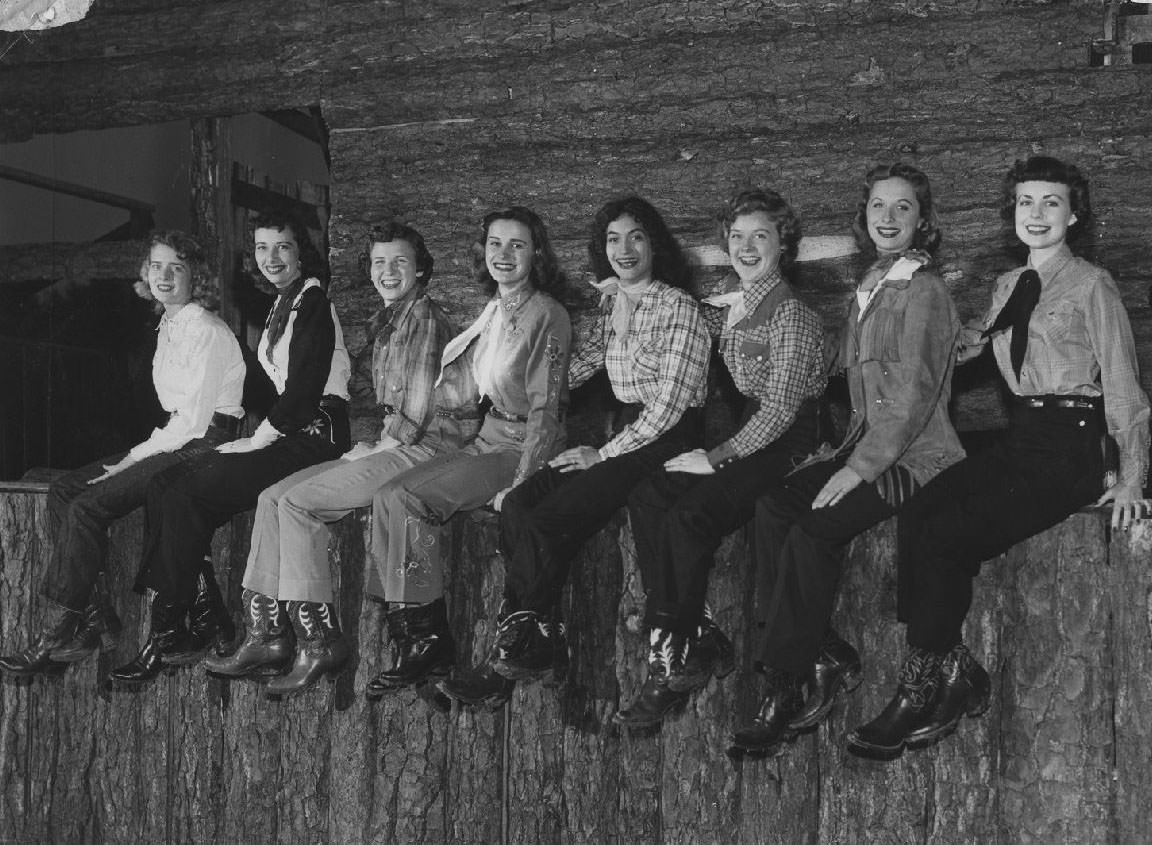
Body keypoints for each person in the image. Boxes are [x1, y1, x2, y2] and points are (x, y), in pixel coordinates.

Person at [846, 155, 1151, 761]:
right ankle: (954, 665)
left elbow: (1124, 386)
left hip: (1072, 447)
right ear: (1011, 213)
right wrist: (903, 319)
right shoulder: (1009, 286)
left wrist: (1133, 475)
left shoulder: (1092, 285)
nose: (1036, 216)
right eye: (1024, 203)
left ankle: (921, 683)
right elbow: (968, 348)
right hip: (1022, 438)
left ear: (1074, 214)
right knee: (921, 507)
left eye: (1051, 203)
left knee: (953, 534)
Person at [728, 163, 966, 758]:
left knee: (813, 531)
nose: (887, 219)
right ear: (864, 219)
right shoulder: (871, 287)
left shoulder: (926, 290)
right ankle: (822, 649)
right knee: (772, 506)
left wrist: (857, 468)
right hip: (861, 445)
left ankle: (785, 685)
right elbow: (835, 371)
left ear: (924, 222)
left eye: (902, 208)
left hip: (916, 459)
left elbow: (911, 397)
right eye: (877, 208)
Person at [439, 195, 710, 708]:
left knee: (550, 516)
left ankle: (526, 650)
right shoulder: (613, 307)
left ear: (656, 244)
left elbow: (669, 407)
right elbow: (572, 369)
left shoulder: (679, 307)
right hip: (626, 436)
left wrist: (602, 456)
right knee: (520, 503)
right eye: (612, 239)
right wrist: (521, 362)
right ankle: (535, 640)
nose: (623, 249)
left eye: (636, 237)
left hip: (666, 437)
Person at [202, 221, 482, 696]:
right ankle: (266, 632)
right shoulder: (392, 322)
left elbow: (415, 412)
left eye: (399, 261)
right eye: (378, 262)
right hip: (399, 441)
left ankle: (319, 639)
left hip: (426, 450)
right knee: (272, 496)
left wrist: (376, 447)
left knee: (298, 502)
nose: (387, 271)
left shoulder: (426, 319)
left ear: (420, 269)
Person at [108, 208, 352, 686]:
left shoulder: (314, 301)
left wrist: (257, 440)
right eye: (262, 248)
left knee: (185, 491)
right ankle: (201, 615)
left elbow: (303, 393)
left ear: (302, 251)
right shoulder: (285, 302)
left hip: (313, 437)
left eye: (282, 246)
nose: (271, 257)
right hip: (287, 432)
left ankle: (170, 631)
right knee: (164, 484)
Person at [615, 189, 828, 727]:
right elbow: (693, 322)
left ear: (785, 244)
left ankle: (671, 658)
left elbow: (780, 412)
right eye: (737, 237)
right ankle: (696, 633)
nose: (747, 247)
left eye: (761, 236)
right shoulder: (735, 306)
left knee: (691, 515)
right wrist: (627, 297)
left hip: (791, 445)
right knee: (649, 495)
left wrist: (718, 457)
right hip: (750, 435)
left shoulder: (793, 315)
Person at [347, 206, 571, 703]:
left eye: (517, 244)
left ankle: (430, 639)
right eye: (495, 244)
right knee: (387, 496)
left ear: (537, 252)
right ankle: (412, 637)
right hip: (485, 439)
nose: (504, 255)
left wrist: (523, 480)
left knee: (406, 498)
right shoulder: (494, 311)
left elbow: (546, 411)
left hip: (521, 448)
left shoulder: (546, 313)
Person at [0, 231, 244, 678]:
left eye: (177, 267)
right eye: (156, 266)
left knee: (88, 505)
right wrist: (132, 456)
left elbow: (192, 423)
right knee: (63, 490)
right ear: (145, 274)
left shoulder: (206, 330)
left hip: (205, 444)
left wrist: (131, 460)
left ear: (196, 276)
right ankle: (94, 617)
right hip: (176, 437)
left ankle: (55, 633)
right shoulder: (168, 327)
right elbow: (174, 419)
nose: (164, 276)